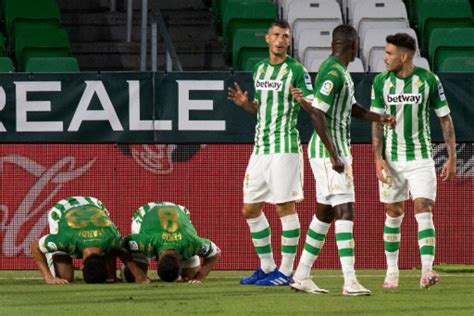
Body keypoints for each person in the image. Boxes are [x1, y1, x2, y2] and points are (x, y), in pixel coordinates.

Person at [289, 24, 395, 296]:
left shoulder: (340, 73)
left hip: (334, 150)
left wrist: (379, 117)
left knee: (324, 213)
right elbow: (317, 114)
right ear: (354, 45)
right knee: (345, 210)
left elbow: (353, 109)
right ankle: (349, 281)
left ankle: (301, 274)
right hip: (329, 152)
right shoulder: (334, 72)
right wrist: (334, 154)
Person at [227, 19, 315, 286]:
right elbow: (260, 107)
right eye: (276, 35)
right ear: (267, 38)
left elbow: (314, 106)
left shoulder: (297, 70)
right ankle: (267, 266)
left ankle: (286, 272)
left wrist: (304, 101)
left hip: (284, 148)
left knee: (284, 207)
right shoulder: (260, 68)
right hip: (260, 148)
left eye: (285, 36)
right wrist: (246, 105)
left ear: (289, 41)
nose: (280, 40)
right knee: (250, 209)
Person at [370, 33, 456, 289]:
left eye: (389, 53)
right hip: (392, 159)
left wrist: (452, 157)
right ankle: (392, 271)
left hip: (420, 158)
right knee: (394, 212)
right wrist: (377, 158)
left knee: (423, 207)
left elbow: (445, 119)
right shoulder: (380, 83)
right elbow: (376, 122)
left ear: (404, 56)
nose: (385, 58)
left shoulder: (429, 81)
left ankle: (427, 271)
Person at [30, 196, 148, 284]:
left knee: (112, 252)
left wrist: (138, 274)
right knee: (66, 278)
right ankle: (54, 252)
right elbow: (35, 246)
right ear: (82, 267)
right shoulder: (64, 239)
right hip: (62, 209)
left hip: (94, 204)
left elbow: (121, 250)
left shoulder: (112, 238)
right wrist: (48, 277)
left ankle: (110, 276)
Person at [122, 202, 221, 283]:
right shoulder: (146, 241)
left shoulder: (192, 243)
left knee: (189, 277)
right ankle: (137, 260)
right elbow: (120, 246)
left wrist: (199, 277)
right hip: (145, 214)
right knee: (131, 277)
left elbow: (216, 253)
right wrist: (138, 273)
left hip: (179, 211)